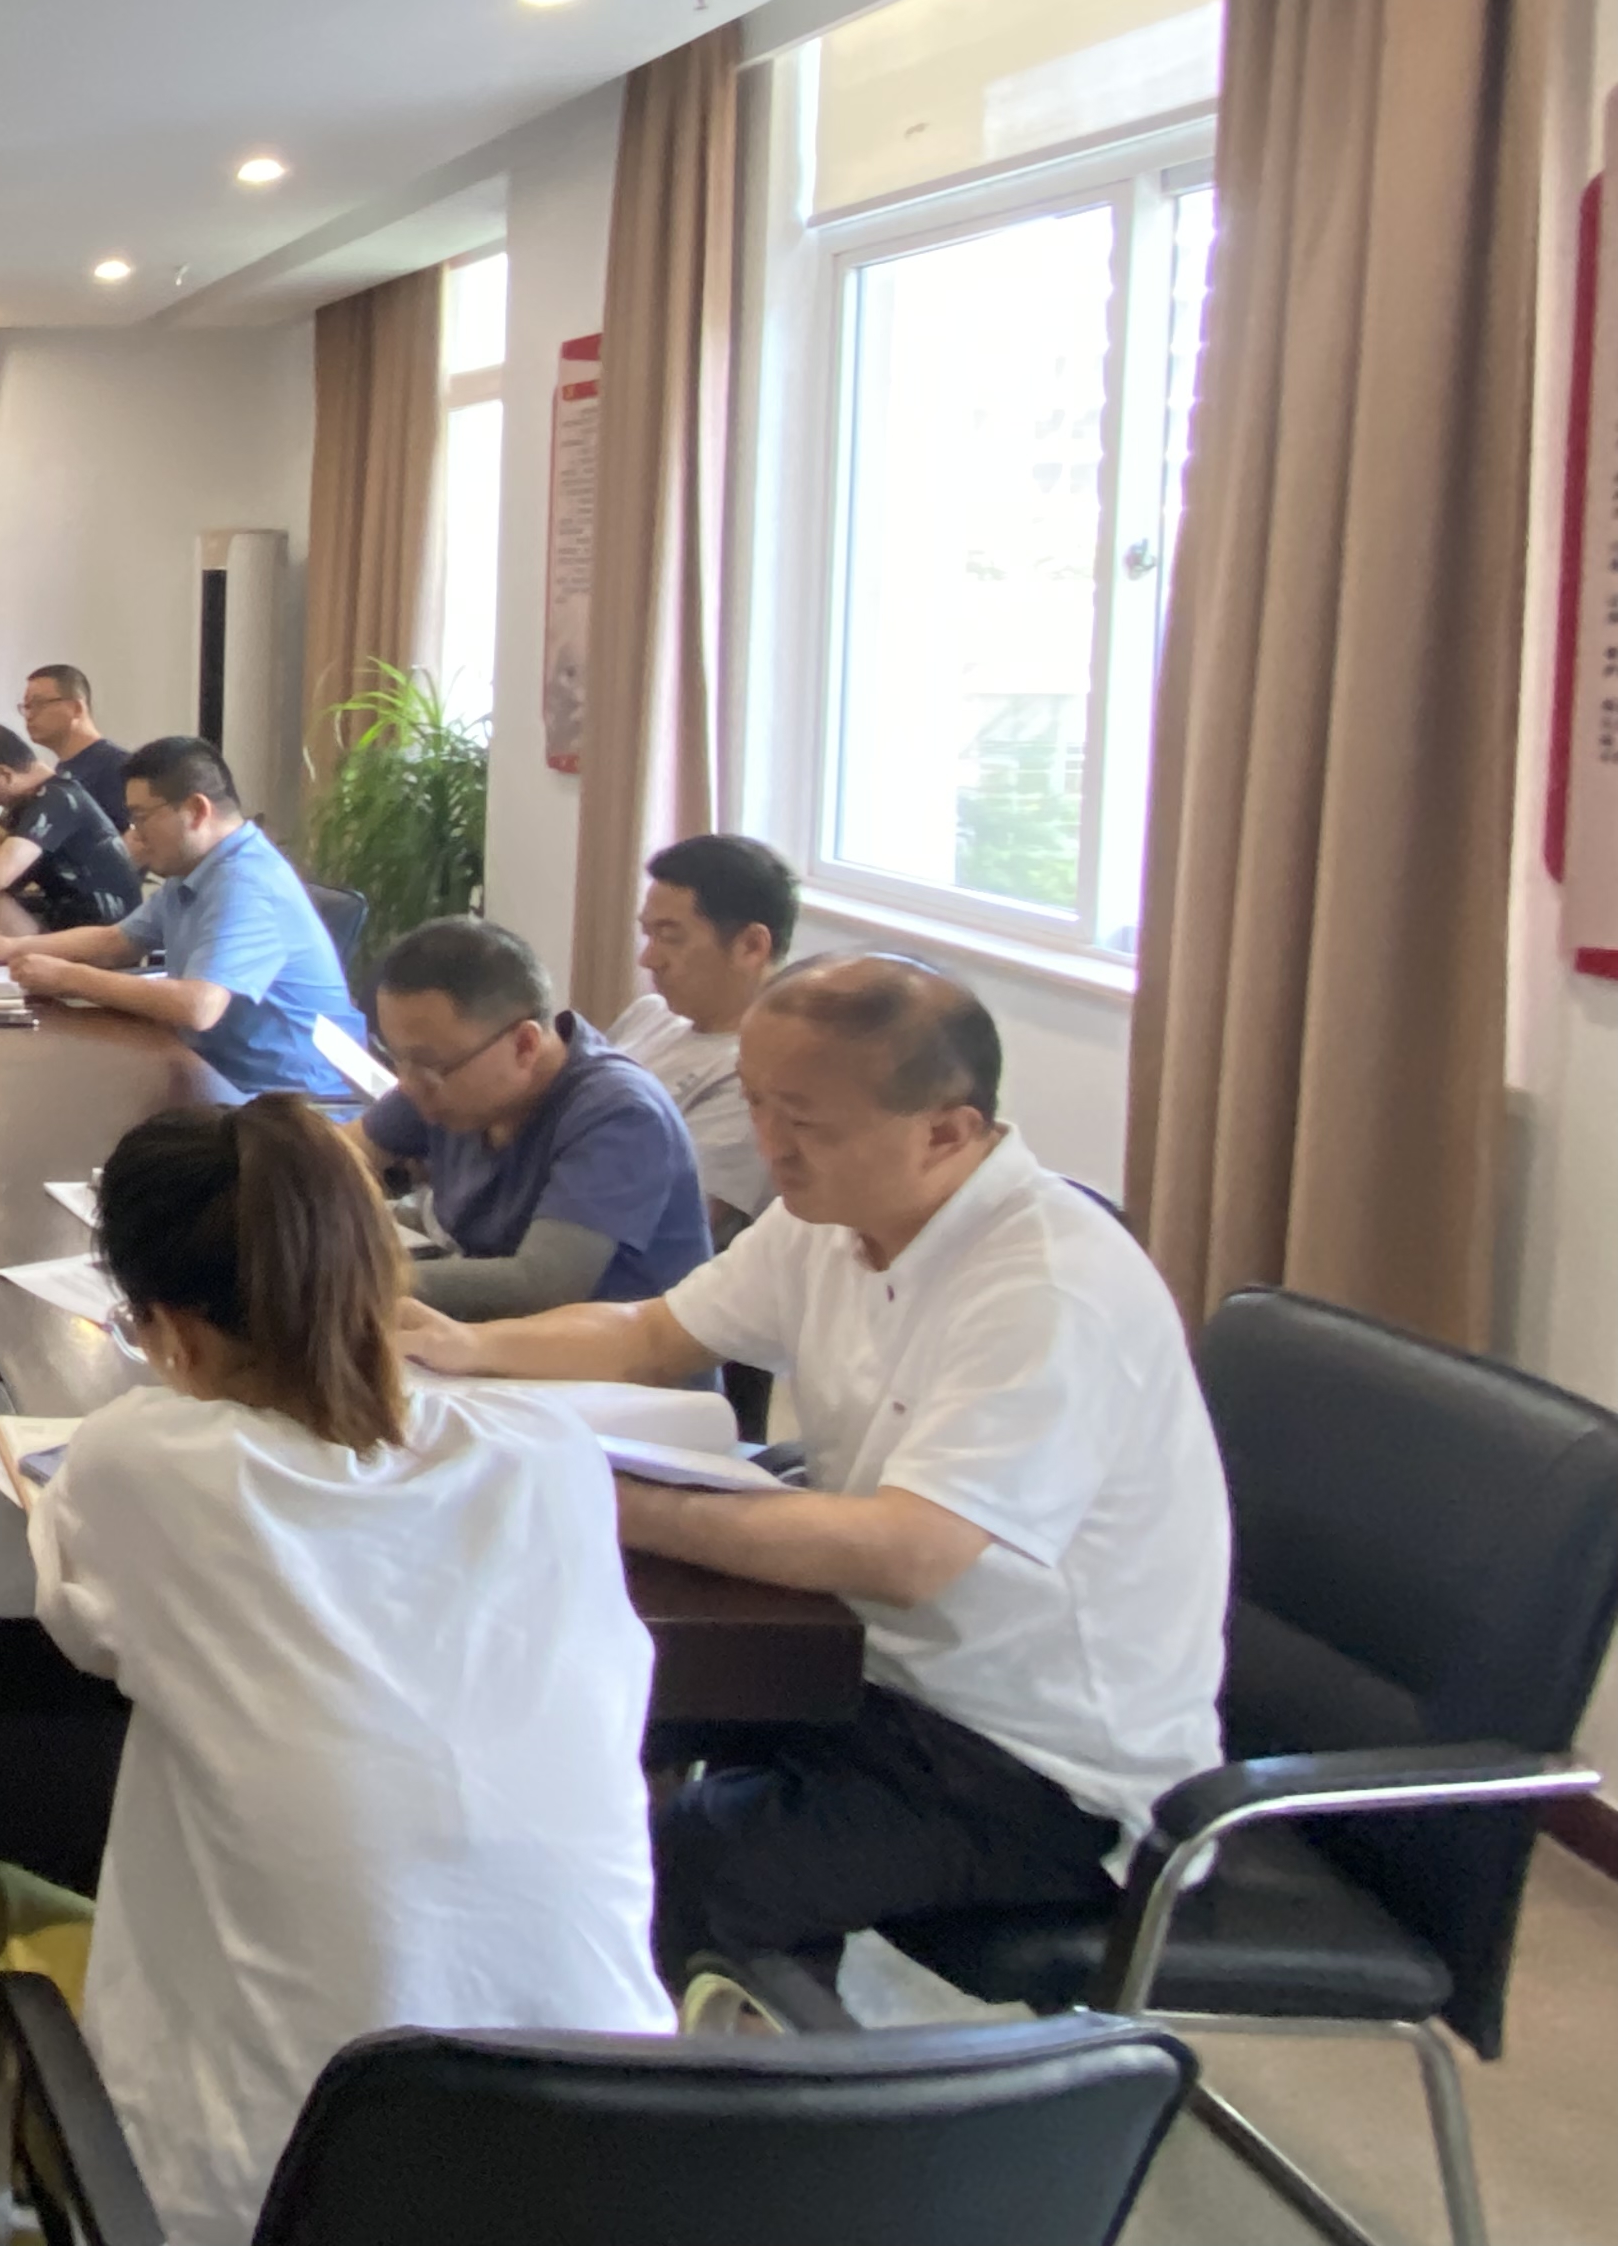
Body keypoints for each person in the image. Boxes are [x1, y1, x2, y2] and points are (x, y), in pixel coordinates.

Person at [0, 1098, 669, 2246]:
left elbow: (86, 1624)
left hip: (273, 2202)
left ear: (174, 1334)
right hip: (614, 2173)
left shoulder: (148, 1464)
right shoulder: (553, 1459)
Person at [394, 957, 1230, 1983]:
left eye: (805, 1121)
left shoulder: (1048, 1289)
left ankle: (721, 2063)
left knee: (664, 1865)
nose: (770, 1144)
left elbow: (908, 1553)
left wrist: (621, 1505)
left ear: (947, 1132)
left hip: (1032, 1764)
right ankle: (728, 2019)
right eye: (755, 1102)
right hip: (858, 1670)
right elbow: (653, 1332)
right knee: (550, 1721)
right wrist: (463, 1348)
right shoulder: (834, 1214)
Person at [359, 916, 707, 1320]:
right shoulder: (446, 1077)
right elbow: (338, 1158)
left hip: (601, 1354)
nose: (407, 1084)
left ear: (525, 1045)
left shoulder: (621, 1114)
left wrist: (350, 1279)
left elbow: (541, 1283)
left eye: (426, 1064)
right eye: (396, 1057)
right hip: (494, 1342)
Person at [1, 738, 364, 1098]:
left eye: (141, 817)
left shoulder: (245, 883)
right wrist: (9, 948)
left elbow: (198, 1007)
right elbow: (118, 941)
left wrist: (69, 978)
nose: (134, 834)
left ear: (196, 810)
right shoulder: (197, 868)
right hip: (217, 1073)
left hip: (285, 1102)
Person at [604, 833, 796, 1228]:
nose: (648, 959)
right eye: (648, 934)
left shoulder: (755, 1075)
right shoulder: (649, 1014)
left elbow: (671, 1219)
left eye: (670, 937)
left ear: (751, 946)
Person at [0, 718, 144, 926]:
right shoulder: (32, 799)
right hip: (68, 920)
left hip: (102, 934)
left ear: (4, 775)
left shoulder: (56, 800)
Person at [18, 663, 130, 814]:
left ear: (77, 708)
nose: (29, 716)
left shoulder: (116, 767)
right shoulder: (61, 772)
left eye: (39, 704)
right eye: (27, 706)